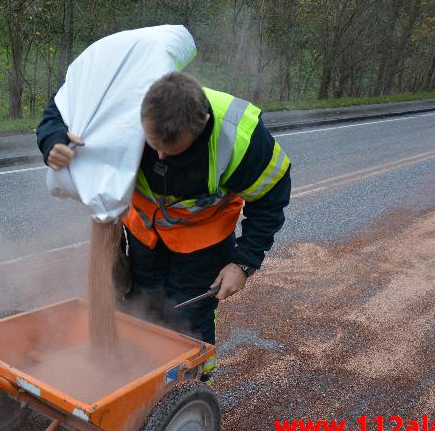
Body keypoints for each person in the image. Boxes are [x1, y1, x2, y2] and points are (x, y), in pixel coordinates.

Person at [37, 72, 291, 381]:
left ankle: (190, 394)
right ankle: (135, 381)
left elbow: (270, 198)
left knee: (188, 319)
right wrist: (51, 139)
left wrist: (244, 263)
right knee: (140, 303)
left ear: (202, 126)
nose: (159, 156)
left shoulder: (242, 139)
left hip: (204, 238)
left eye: (171, 151)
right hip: (145, 229)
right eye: (152, 143)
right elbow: (66, 99)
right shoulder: (122, 102)